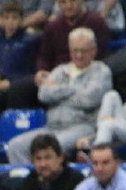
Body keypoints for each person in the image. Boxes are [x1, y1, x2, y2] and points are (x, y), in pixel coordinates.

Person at [8, 27, 113, 165]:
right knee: (15, 146)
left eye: (84, 51)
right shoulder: (60, 70)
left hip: (82, 127)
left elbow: (88, 99)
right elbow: (43, 94)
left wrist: (58, 90)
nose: (79, 55)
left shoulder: (101, 71)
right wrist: (76, 90)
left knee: (52, 147)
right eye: (75, 50)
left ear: (94, 51)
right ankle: (32, 177)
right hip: (51, 127)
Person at [38, 0, 111, 73]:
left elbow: (101, 56)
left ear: (81, 0)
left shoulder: (96, 22)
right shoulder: (52, 26)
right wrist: (41, 71)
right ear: (58, 4)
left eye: (72, 0)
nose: (68, 6)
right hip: (57, 74)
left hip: (88, 72)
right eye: (63, 2)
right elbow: (44, 57)